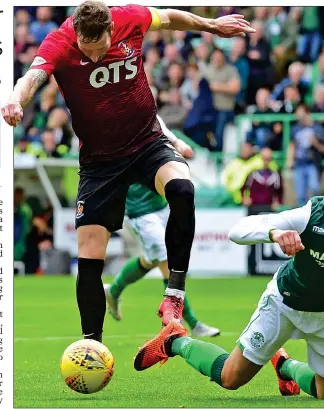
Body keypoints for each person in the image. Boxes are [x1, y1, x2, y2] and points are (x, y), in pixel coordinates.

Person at [2, 1, 255, 343]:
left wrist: (211, 26)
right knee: (90, 255)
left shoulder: (130, 17)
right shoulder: (59, 42)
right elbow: (31, 76)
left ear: (111, 30)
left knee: (183, 189)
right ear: (76, 34)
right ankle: (91, 345)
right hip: (99, 163)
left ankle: (174, 295)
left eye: (100, 49)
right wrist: (16, 99)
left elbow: (172, 19)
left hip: (147, 143)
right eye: (86, 51)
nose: (93, 58)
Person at [132, 148, 324, 399]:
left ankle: (285, 365)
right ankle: (175, 340)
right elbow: (239, 230)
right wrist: (273, 233)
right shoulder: (313, 212)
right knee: (231, 379)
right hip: (285, 304)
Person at [105, 117, 220, 337]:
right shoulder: (114, 125)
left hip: (160, 203)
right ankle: (192, 323)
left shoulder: (143, 113)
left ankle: (114, 289)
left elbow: (157, 122)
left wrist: (177, 143)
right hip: (139, 212)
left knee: (150, 260)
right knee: (169, 261)